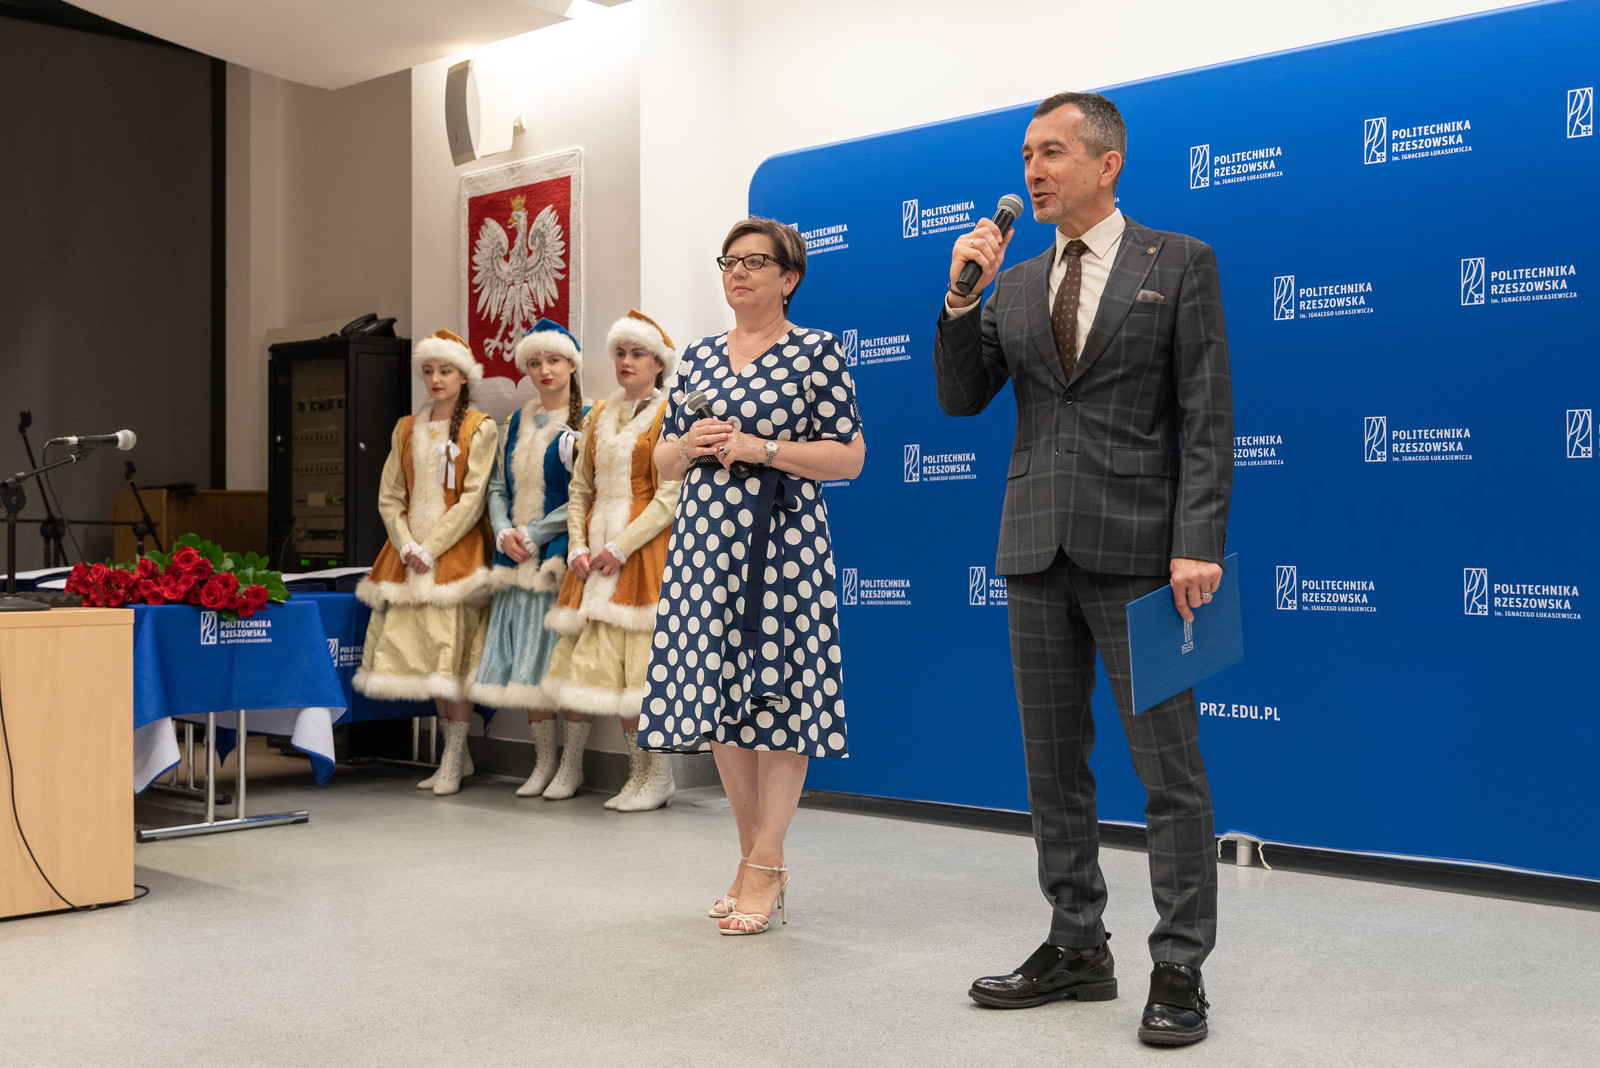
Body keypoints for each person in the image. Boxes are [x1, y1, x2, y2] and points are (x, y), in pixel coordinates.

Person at [932, 92, 1232, 1046]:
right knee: (1054, 767)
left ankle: (1179, 964)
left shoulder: (1179, 261)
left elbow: (1207, 415)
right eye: (1027, 153)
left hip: (1146, 556)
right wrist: (961, 298)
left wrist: (1198, 539)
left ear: (1109, 163)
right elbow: (960, 399)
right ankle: (1076, 945)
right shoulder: (1016, 282)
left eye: (1053, 151)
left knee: (1169, 772)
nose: (1033, 169)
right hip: (1035, 551)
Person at [641, 218, 866, 936]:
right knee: (719, 701)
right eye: (729, 262)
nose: (737, 273)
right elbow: (661, 464)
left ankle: (766, 862)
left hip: (784, 546)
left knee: (781, 699)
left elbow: (850, 457)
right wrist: (689, 444)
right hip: (704, 548)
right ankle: (754, 860)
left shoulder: (816, 351)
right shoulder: (699, 357)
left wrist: (760, 447)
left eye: (754, 262)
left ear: (788, 278)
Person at [539, 310, 683, 810]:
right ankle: (636, 773)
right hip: (594, 559)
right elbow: (580, 487)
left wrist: (622, 546)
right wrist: (578, 545)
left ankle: (658, 775)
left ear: (658, 363)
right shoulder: (598, 413)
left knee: (641, 673)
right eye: (620, 353)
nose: (626, 361)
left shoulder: (671, 413)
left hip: (643, 556)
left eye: (637, 353)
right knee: (603, 671)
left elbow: (669, 495)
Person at [354, 328, 499, 796]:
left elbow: (473, 499)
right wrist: (406, 544)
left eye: (446, 371)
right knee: (431, 661)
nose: (436, 379)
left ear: (464, 376)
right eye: (429, 371)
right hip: (409, 556)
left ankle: (454, 756)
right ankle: (454, 754)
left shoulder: (479, 427)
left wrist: (431, 547)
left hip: (455, 556)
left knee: (452, 657)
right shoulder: (406, 428)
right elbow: (390, 495)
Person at [468, 319, 590, 798]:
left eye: (553, 360)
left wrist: (537, 533)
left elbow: (586, 491)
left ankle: (572, 765)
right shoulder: (517, 421)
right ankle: (543, 762)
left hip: (558, 556)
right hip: (515, 558)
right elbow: (497, 487)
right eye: (535, 362)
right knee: (528, 663)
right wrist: (503, 531)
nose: (544, 370)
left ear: (572, 365)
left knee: (563, 663)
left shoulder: (589, 418)